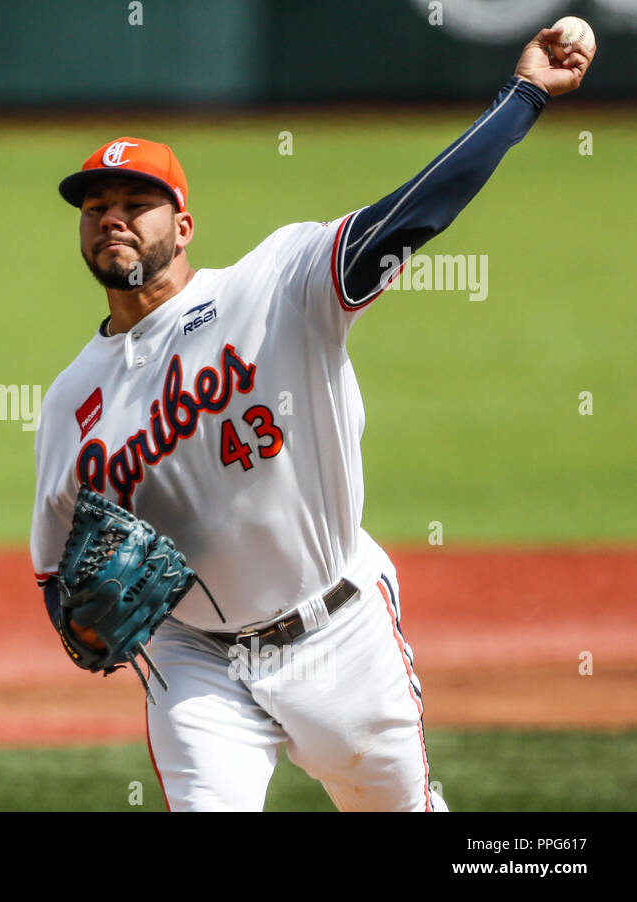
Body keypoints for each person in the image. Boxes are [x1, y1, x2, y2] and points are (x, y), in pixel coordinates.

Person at [29, 27, 592, 809]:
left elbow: (414, 213)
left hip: (338, 633)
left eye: (136, 204)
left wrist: (524, 94)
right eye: (96, 207)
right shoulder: (69, 400)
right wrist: (77, 624)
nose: (112, 219)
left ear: (184, 228)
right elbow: (57, 568)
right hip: (194, 660)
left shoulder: (277, 284)